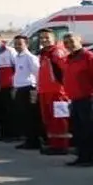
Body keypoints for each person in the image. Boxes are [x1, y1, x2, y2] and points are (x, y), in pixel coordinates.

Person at [61, 33, 93, 167]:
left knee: (90, 129)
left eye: (71, 41)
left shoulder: (89, 57)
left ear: (79, 41)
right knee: (78, 130)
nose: (69, 45)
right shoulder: (69, 59)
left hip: (88, 98)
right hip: (75, 99)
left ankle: (92, 158)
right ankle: (82, 157)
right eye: (66, 43)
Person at [35, 28, 72, 156]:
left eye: (47, 37)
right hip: (45, 91)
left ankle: (61, 146)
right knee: (49, 119)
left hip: (58, 92)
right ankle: (53, 144)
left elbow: (66, 71)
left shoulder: (57, 52)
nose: (44, 40)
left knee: (59, 120)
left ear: (54, 39)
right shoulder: (44, 54)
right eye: (42, 38)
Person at [10, 35, 41, 145]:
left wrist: (36, 90)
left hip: (29, 89)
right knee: (23, 115)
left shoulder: (30, 57)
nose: (17, 46)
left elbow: (38, 74)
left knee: (30, 116)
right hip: (20, 89)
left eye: (20, 44)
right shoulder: (17, 57)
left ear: (26, 44)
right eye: (15, 44)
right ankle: (27, 139)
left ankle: (33, 141)